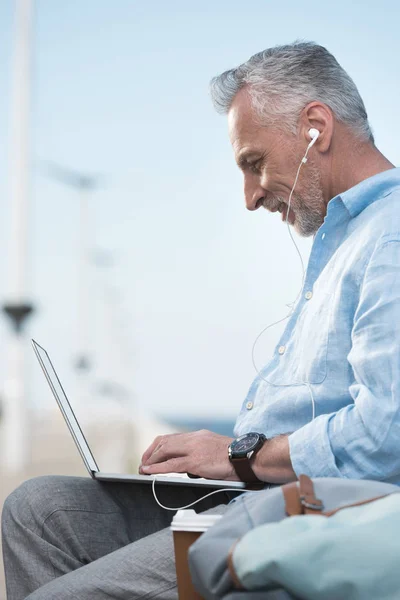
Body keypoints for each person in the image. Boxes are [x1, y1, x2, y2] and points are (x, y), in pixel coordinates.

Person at [2, 40, 399, 599]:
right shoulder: (344, 242)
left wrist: (239, 456)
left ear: (315, 127)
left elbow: (387, 435)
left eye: (254, 163)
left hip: (308, 517)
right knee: (41, 510)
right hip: (253, 496)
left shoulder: (389, 237)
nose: (249, 196)